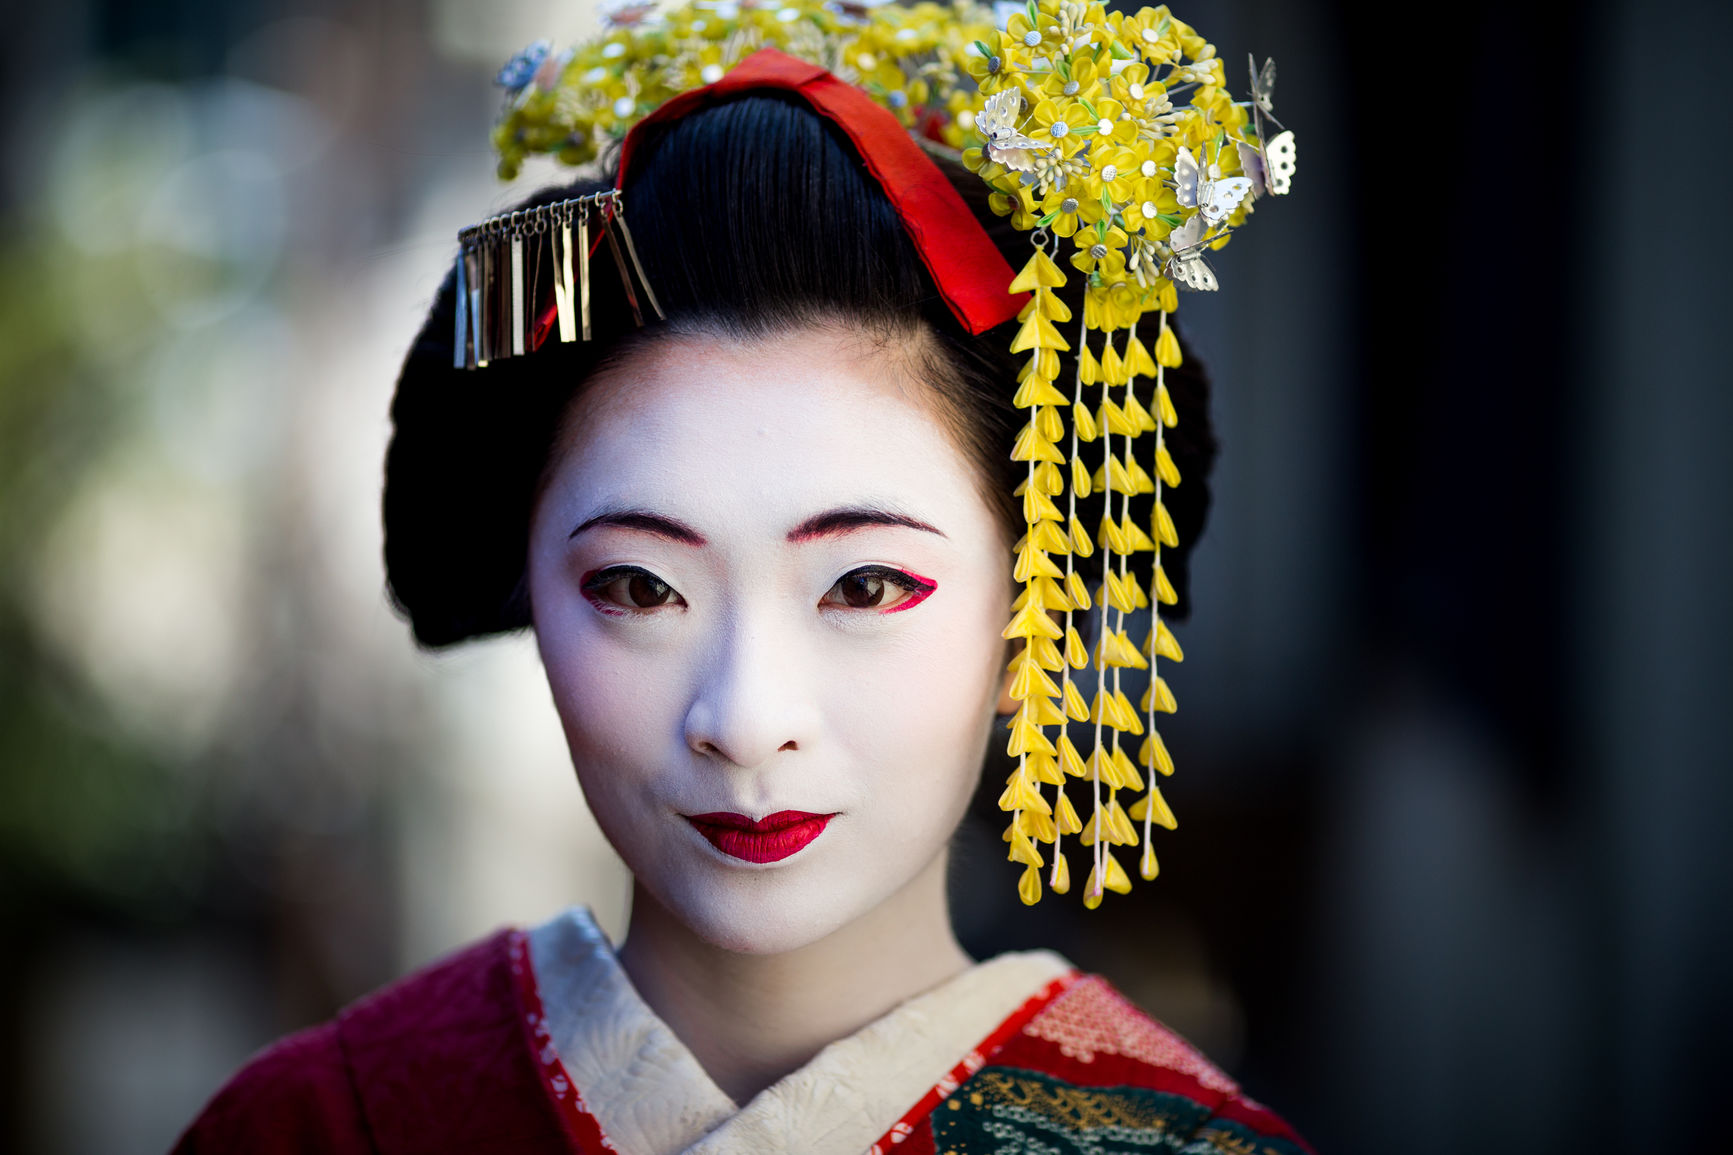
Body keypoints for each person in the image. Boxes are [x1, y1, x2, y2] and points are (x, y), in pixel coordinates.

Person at [174, 3, 1311, 1151]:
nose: (745, 719)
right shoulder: (314, 1129)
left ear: (1030, 614)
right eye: (636, 588)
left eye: (865, 587)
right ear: (529, 583)